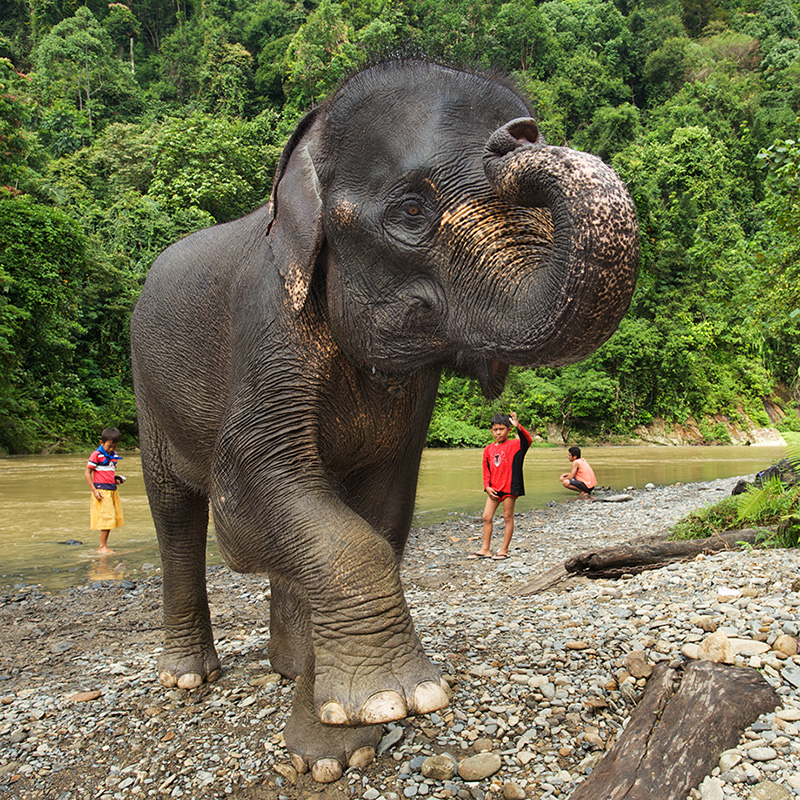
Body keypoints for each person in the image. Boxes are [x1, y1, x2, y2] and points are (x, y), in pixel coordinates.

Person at [469, 411, 532, 561]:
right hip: (494, 488)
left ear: (509, 430)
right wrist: (487, 486)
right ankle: (485, 549)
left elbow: (528, 441)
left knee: (507, 517)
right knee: (486, 517)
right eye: (495, 429)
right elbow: (486, 469)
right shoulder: (488, 449)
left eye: (501, 429)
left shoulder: (515, 445)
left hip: (510, 487)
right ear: (491, 430)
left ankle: (504, 550)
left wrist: (519, 427)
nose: (498, 432)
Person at [84, 427, 125, 554]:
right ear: (101, 443)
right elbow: (87, 473)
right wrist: (94, 490)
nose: (112, 449)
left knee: (113, 518)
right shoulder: (96, 455)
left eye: (115, 446)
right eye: (109, 446)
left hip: (112, 490)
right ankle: (102, 546)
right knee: (107, 518)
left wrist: (116, 479)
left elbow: (108, 473)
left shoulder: (114, 456)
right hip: (102, 491)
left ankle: (104, 545)